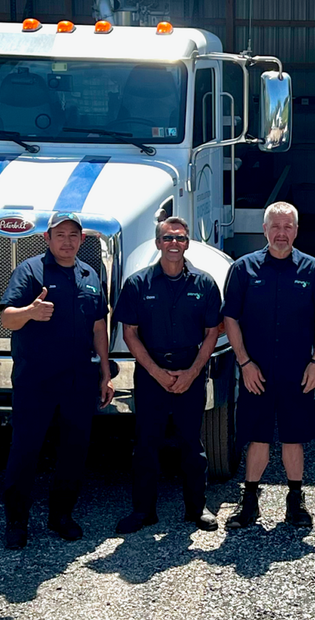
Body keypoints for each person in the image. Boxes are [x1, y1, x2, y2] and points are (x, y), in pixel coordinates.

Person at [0, 211, 114, 550]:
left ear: (81, 240)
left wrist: (106, 372)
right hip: (37, 380)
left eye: (73, 235)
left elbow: (97, 327)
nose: (67, 241)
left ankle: (61, 515)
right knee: (25, 450)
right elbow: (6, 318)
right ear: (47, 238)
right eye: (60, 235)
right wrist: (29, 312)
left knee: (74, 450)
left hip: (79, 379)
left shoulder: (90, 274)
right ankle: (16, 522)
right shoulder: (30, 271)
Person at [221, 202, 315, 529]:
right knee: (257, 437)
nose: (281, 233)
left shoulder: (314, 271)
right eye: (276, 226)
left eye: (288, 227)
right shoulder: (244, 269)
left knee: (293, 437)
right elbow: (230, 318)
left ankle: (295, 503)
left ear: (297, 231)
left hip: (297, 370)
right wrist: (244, 362)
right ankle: (249, 503)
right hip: (256, 369)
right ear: (264, 229)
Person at [112, 216, 222, 534]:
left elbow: (212, 332)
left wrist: (192, 372)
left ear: (188, 243)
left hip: (191, 370)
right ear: (158, 243)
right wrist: (156, 372)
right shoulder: (137, 284)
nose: (175, 244)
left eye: (180, 239)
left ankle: (196, 509)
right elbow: (130, 333)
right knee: (146, 444)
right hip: (151, 374)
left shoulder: (204, 284)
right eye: (168, 238)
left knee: (192, 444)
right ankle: (143, 512)